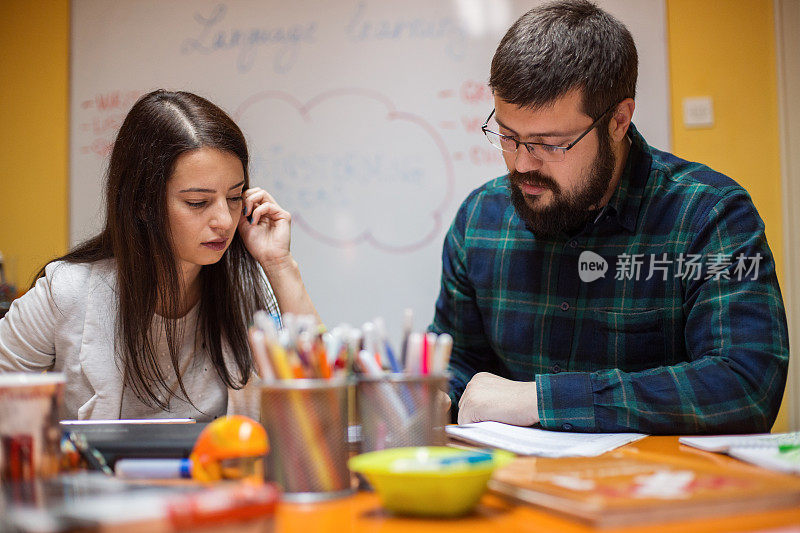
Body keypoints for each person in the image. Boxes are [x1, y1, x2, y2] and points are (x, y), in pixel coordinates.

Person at [431, 0, 789, 434]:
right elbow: (460, 361)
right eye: (508, 136)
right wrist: (435, 394)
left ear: (619, 120)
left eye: (551, 143)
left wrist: (545, 399)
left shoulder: (709, 215)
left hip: (655, 493)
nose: (522, 164)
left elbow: (745, 385)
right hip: (513, 490)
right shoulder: (480, 220)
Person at [0, 90, 318, 420]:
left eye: (235, 197)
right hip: (102, 474)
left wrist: (280, 265)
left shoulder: (243, 287)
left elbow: (322, 404)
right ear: (142, 203)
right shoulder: (68, 291)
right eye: (198, 202)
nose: (225, 220)